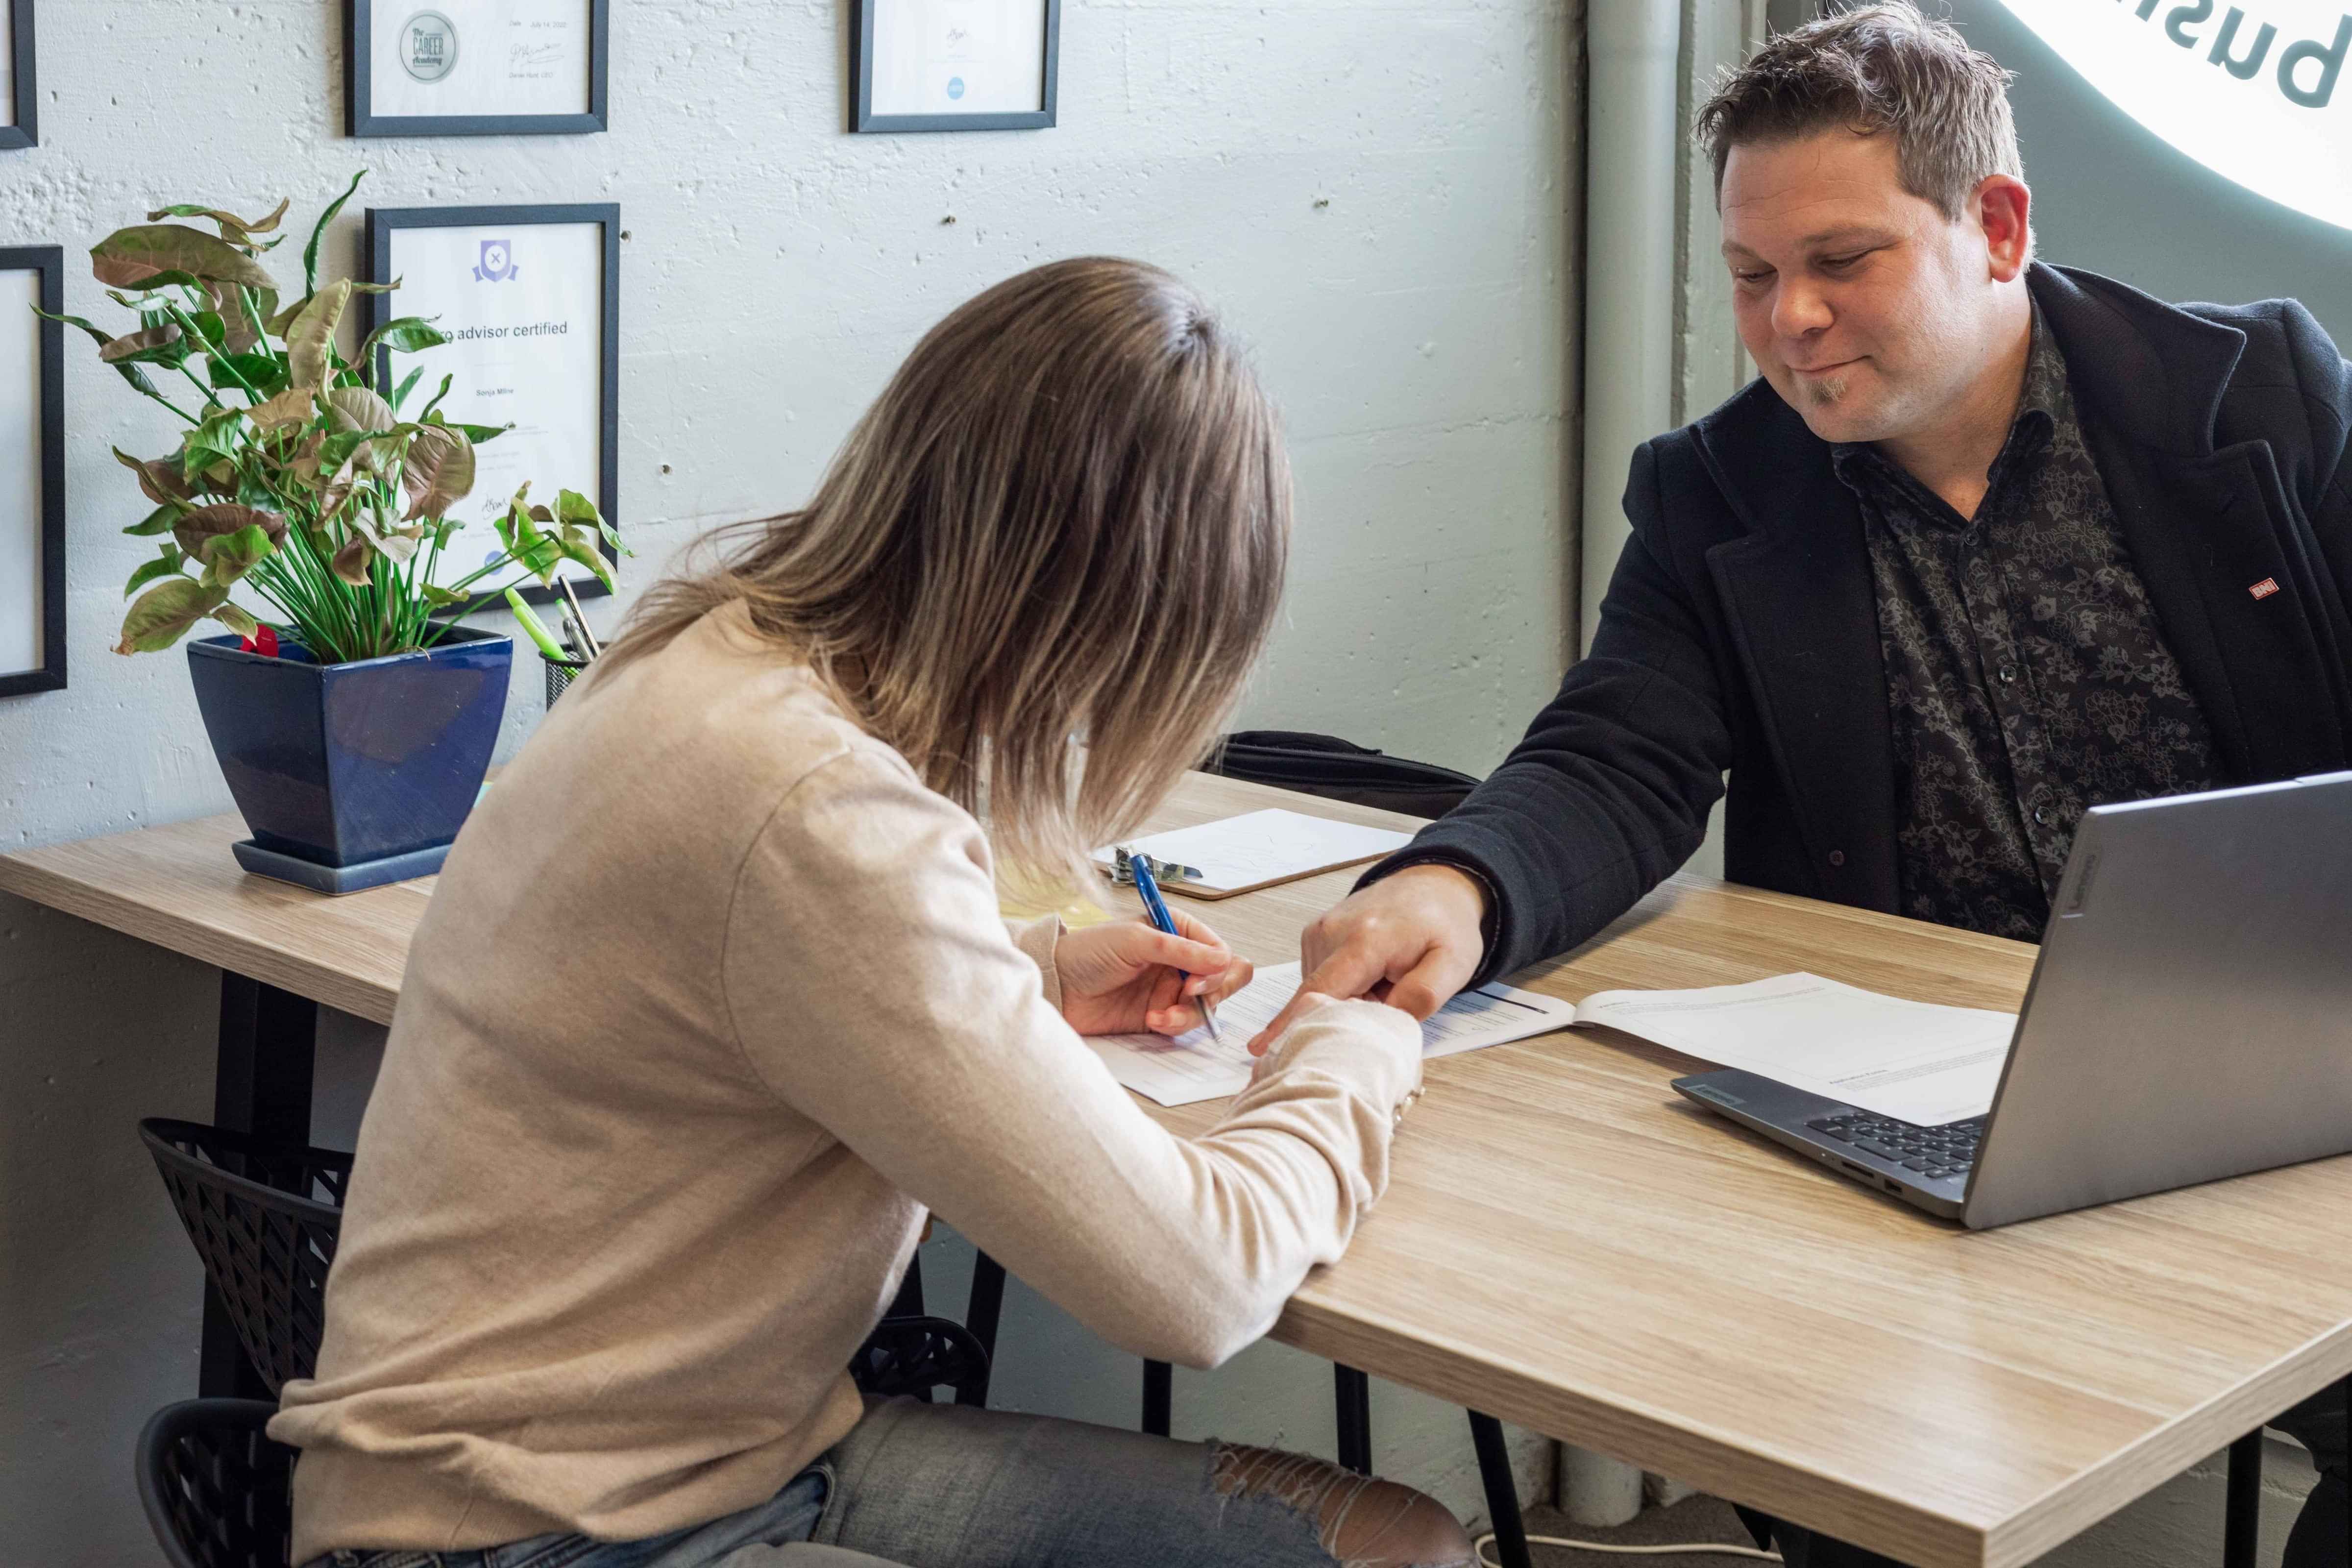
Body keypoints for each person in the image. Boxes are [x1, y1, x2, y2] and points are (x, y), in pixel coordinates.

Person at [1251, 5, 2352, 1565]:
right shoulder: (1717, 490)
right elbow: (1615, 754)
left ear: (1999, 226)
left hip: (2283, 1060)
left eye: (1845, 262)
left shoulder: (2262, 401)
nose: (1792, 325)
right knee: (1833, 1463)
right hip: (1904, 1094)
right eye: (1755, 277)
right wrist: (1460, 880)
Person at [270, 257, 1475, 1568]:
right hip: (535, 1531)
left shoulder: (706, 654)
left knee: (1389, 1547)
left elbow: (738, 975)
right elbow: (1197, 1282)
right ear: (1101, 619)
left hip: (707, 1457)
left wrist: (1030, 969)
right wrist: (1352, 1045)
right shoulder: (813, 806)